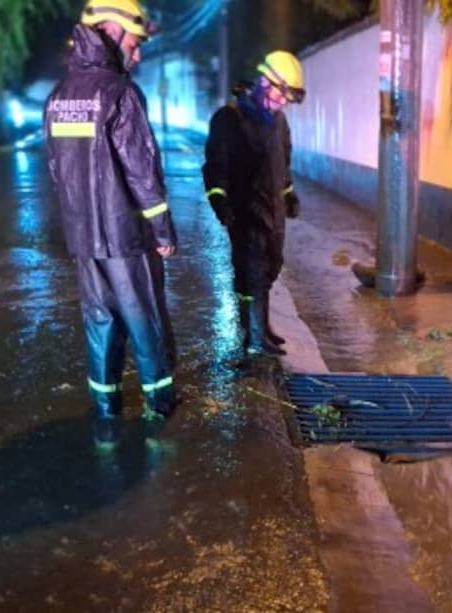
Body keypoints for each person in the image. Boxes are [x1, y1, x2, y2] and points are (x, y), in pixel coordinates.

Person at [44, 0, 177, 448]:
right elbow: (142, 172)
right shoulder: (120, 93)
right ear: (111, 32)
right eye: (135, 45)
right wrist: (162, 231)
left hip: (84, 242)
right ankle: (160, 408)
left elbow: (56, 172)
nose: (137, 56)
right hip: (125, 237)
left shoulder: (59, 95)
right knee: (145, 321)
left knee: (100, 322)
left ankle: (106, 411)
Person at [202, 50, 305, 357]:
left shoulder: (279, 121)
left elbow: (282, 163)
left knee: (271, 266)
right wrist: (219, 200)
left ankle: (262, 326)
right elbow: (215, 165)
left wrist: (288, 194)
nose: (283, 102)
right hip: (244, 208)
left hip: (272, 207)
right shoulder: (229, 118)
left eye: (288, 97)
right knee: (252, 270)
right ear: (264, 82)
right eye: (280, 93)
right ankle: (254, 335)